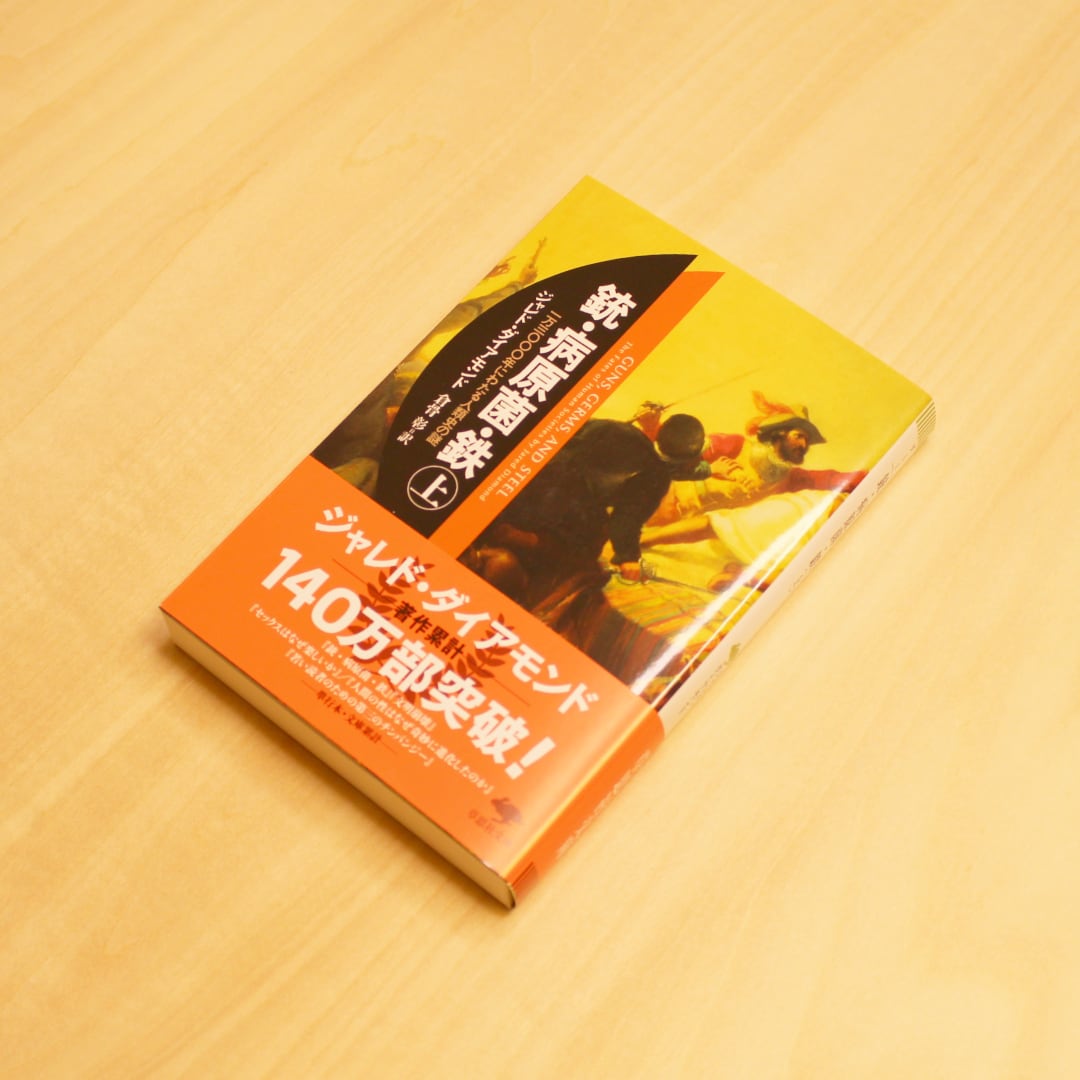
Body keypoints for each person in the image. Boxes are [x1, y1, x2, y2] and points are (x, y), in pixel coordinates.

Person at [466, 413, 709, 604]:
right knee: (586, 557)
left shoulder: (616, 429)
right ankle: (522, 549)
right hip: (560, 509)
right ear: (688, 458)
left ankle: (501, 537)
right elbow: (626, 519)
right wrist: (628, 557)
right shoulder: (656, 477)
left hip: (526, 484)